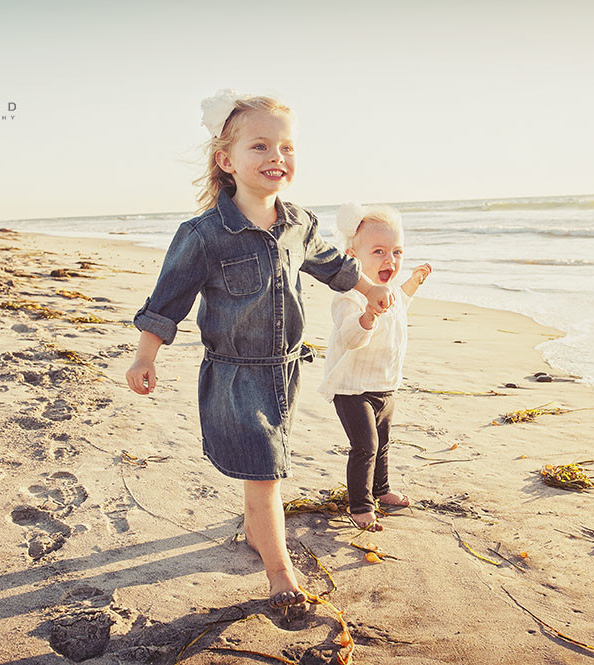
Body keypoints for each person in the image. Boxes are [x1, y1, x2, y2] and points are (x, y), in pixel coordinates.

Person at [125, 90, 394, 608]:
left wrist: (369, 289)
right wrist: (145, 355)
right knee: (267, 473)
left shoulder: (299, 223)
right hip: (235, 376)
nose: (277, 157)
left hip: (286, 373)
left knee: (262, 470)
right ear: (226, 160)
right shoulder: (204, 235)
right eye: (261, 146)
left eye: (287, 147)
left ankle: (256, 534)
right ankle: (280, 573)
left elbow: (334, 266)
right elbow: (167, 301)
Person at [318, 202, 432, 531]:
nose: (390, 260)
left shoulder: (392, 290)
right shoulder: (348, 296)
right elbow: (350, 337)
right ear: (353, 258)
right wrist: (367, 316)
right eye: (379, 251)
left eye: (397, 252)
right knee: (365, 445)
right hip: (352, 388)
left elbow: (402, 300)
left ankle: (381, 490)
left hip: (384, 384)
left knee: (382, 444)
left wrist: (413, 282)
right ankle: (360, 505)